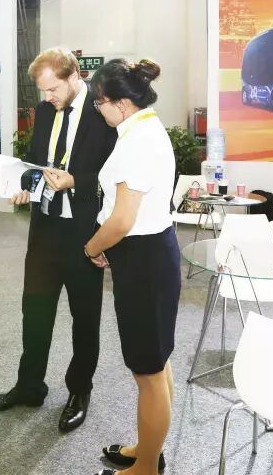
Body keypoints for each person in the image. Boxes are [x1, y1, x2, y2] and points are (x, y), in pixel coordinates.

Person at [0, 48, 117, 432]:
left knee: (84, 319)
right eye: (43, 90)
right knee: (35, 312)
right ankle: (29, 386)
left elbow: (114, 176)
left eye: (53, 89)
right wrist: (23, 184)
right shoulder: (44, 111)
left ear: (75, 76)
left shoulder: (103, 113)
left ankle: (79, 391)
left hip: (85, 233)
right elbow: (35, 160)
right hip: (44, 229)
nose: (47, 97)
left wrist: (76, 182)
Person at [83, 59, 178, 475]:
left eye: (99, 103)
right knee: (157, 361)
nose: (98, 110)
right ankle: (148, 448)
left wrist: (92, 247)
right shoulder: (146, 129)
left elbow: (122, 220)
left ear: (120, 104)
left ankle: (146, 469)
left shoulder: (136, 142)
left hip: (143, 261)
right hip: (152, 254)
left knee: (148, 372)